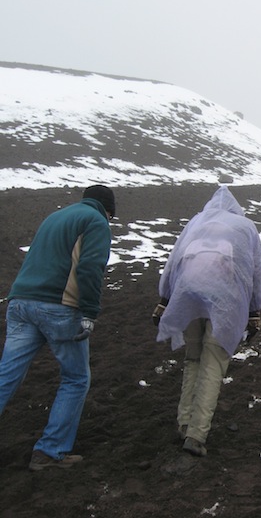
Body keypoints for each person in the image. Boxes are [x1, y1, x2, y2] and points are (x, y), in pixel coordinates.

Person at [0, 185, 115, 471]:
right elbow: (90, 267)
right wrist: (89, 312)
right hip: (59, 306)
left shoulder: (55, 217)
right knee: (76, 378)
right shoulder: (96, 222)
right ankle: (50, 451)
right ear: (108, 210)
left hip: (21, 302)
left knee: (7, 373)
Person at [153, 185, 261, 457]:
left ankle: (184, 422)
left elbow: (173, 260)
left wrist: (164, 300)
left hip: (188, 295)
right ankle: (196, 434)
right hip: (225, 300)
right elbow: (256, 270)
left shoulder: (197, 222)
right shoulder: (245, 226)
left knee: (193, 358)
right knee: (213, 362)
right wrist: (254, 310)